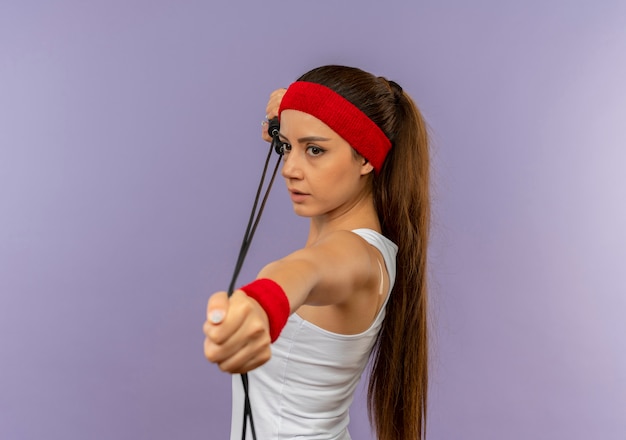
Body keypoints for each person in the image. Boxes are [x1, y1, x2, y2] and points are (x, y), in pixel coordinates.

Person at [203, 65, 430, 440]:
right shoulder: (378, 249)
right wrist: (296, 114)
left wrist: (261, 305)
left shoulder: (353, 254)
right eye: (285, 147)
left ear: (366, 159)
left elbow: (307, 272)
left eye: (315, 150)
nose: (289, 169)